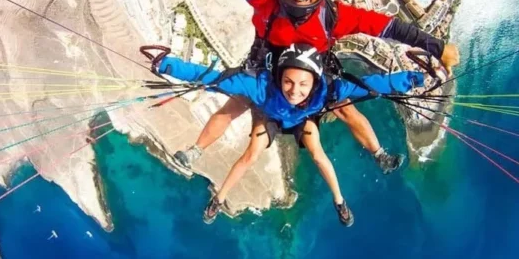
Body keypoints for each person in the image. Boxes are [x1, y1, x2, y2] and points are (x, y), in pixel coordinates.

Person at [173, 0, 460, 174]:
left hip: (307, 68)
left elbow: (390, 27)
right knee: (235, 102)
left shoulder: (334, 15)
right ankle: (196, 150)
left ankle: (379, 154)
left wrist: (435, 46)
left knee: (345, 109)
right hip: (271, 63)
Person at [141, 44, 426, 226]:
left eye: (303, 84)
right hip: (272, 118)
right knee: (251, 155)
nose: (294, 89)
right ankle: (218, 199)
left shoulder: (327, 89)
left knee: (318, 154)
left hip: (300, 119)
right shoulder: (261, 87)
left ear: (314, 81)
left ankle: (340, 202)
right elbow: (214, 79)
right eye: (288, 82)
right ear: (278, 78)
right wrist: (169, 66)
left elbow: (372, 84)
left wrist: (415, 79)